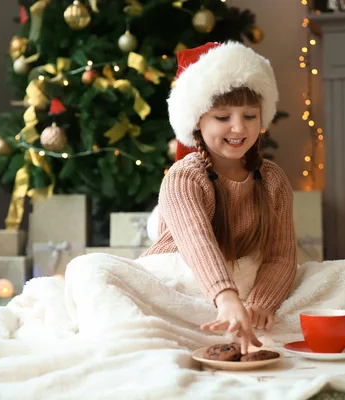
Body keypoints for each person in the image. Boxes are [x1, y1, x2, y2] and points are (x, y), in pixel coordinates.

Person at [139, 41, 297, 354]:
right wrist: (226, 298)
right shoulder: (184, 177)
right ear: (198, 121)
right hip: (183, 285)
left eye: (250, 116)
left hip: (245, 288)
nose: (238, 127)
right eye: (223, 117)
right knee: (91, 271)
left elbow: (281, 256)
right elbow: (198, 245)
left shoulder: (273, 179)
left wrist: (259, 305)